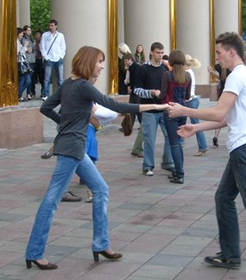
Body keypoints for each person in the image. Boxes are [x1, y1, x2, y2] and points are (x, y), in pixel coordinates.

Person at [25, 46, 169, 270]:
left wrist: (64, 124)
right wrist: (156, 105)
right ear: (88, 62)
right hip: (72, 149)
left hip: (74, 147)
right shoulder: (82, 86)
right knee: (52, 200)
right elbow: (115, 105)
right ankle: (34, 251)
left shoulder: (69, 84)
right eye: (99, 62)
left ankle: (101, 244)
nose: (102, 66)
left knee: (101, 190)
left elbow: (46, 107)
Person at [168, 32, 246, 277]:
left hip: (244, 149)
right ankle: (230, 254)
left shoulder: (237, 76)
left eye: (219, 52)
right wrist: (196, 127)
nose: (217, 58)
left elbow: (219, 111)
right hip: (244, 147)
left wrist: (184, 110)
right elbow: (227, 118)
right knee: (223, 198)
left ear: (231, 51)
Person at [132, 42, 174, 176]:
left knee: (170, 136)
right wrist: (151, 92)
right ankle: (148, 165)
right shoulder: (143, 69)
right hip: (149, 109)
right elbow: (137, 90)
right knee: (149, 139)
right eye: (158, 52)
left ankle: (167, 163)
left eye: (162, 53)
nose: (160, 55)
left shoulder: (164, 69)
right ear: (151, 52)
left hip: (163, 108)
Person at [159, 50, 191, 184]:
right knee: (178, 143)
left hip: (170, 111)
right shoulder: (187, 76)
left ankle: (179, 174)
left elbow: (162, 95)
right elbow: (187, 96)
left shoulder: (167, 75)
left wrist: (156, 94)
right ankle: (179, 171)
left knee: (174, 144)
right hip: (182, 111)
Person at [184, 54, 208, 156]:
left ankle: (202, 147)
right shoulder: (190, 72)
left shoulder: (186, 73)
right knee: (194, 124)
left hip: (189, 101)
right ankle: (202, 146)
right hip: (192, 99)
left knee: (195, 125)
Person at [124, 53, 144, 158]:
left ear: (129, 59)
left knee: (136, 109)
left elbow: (135, 79)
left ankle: (133, 125)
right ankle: (127, 125)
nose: (125, 63)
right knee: (133, 109)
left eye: (126, 61)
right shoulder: (133, 67)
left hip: (135, 91)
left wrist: (132, 87)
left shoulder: (134, 67)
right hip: (134, 91)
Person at [40, 19, 66, 101]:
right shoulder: (45, 35)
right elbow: (42, 47)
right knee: (47, 78)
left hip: (58, 58)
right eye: (49, 25)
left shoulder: (60, 35)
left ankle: (61, 95)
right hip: (49, 58)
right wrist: (46, 57)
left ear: (56, 26)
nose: (50, 27)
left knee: (60, 78)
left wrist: (61, 56)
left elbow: (63, 46)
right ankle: (45, 94)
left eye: (52, 25)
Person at [207, 63, 231, 147]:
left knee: (220, 117)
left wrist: (211, 72)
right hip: (231, 95)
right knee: (233, 116)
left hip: (222, 94)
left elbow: (220, 77)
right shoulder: (232, 69)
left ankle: (215, 136)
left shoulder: (218, 67)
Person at [17, 27, 32, 102]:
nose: (22, 34)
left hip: (22, 63)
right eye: (21, 33)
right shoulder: (16, 42)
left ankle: (18, 94)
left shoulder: (18, 41)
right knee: (23, 80)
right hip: (20, 63)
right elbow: (19, 53)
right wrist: (25, 46)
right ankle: (18, 95)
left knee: (27, 80)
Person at [22, 25, 36, 100]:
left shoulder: (31, 40)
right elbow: (29, 50)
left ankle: (30, 92)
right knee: (27, 79)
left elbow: (33, 49)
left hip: (32, 60)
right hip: (26, 61)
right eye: (27, 30)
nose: (29, 32)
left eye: (30, 30)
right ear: (24, 31)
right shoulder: (23, 40)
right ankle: (25, 93)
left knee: (31, 78)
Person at [34, 30, 45, 98]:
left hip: (41, 60)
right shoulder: (34, 42)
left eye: (38, 34)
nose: (37, 36)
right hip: (35, 60)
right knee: (33, 77)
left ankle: (43, 92)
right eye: (36, 34)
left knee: (42, 77)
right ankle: (32, 91)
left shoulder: (42, 43)